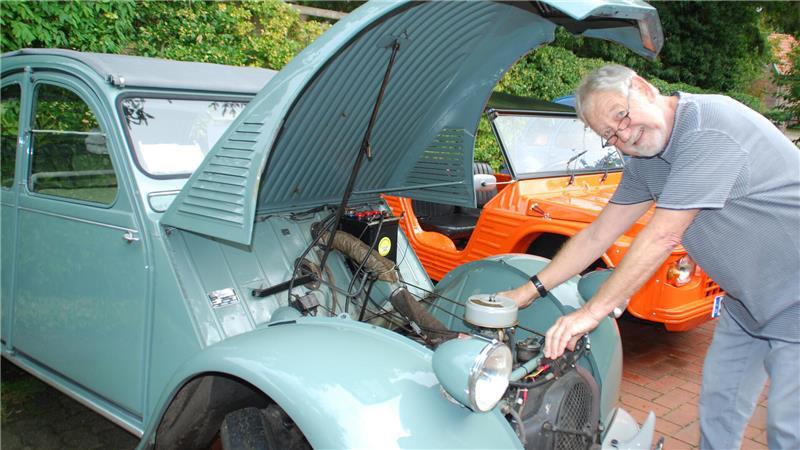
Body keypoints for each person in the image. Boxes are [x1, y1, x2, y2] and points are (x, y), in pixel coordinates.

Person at [498, 64, 799, 449]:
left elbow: (662, 234)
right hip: (746, 304)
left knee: (789, 431)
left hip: (794, 299)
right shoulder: (644, 158)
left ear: (641, 87)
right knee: (719, 411)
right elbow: (597, 234)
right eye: (610, 135)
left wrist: (590, 314)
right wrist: (525, 293)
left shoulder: (708, 129)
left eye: (621, 115)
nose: (624, 134)